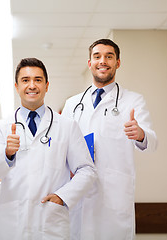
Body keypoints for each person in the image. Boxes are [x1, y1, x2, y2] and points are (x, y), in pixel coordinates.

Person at [0, 57, 97, 239]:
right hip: (14, 221)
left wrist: (63, 196)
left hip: (50, 220)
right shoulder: (1, 127)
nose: (32, 85)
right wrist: (7, 154)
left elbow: (87, 170)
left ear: (46, 85)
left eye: (38, 80)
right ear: (16, 86)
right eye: (25, 80)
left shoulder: (67, 126)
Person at [62, 39, 158, 240]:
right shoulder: (72, 104)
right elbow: (63, 147)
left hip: (114, 197)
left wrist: (140, 134)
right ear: (89, 63)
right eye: (97, 56)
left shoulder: (133, 100)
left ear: (118, 63)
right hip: (79, 194)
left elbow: (152, 142)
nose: (102, 61)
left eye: (109, 56)